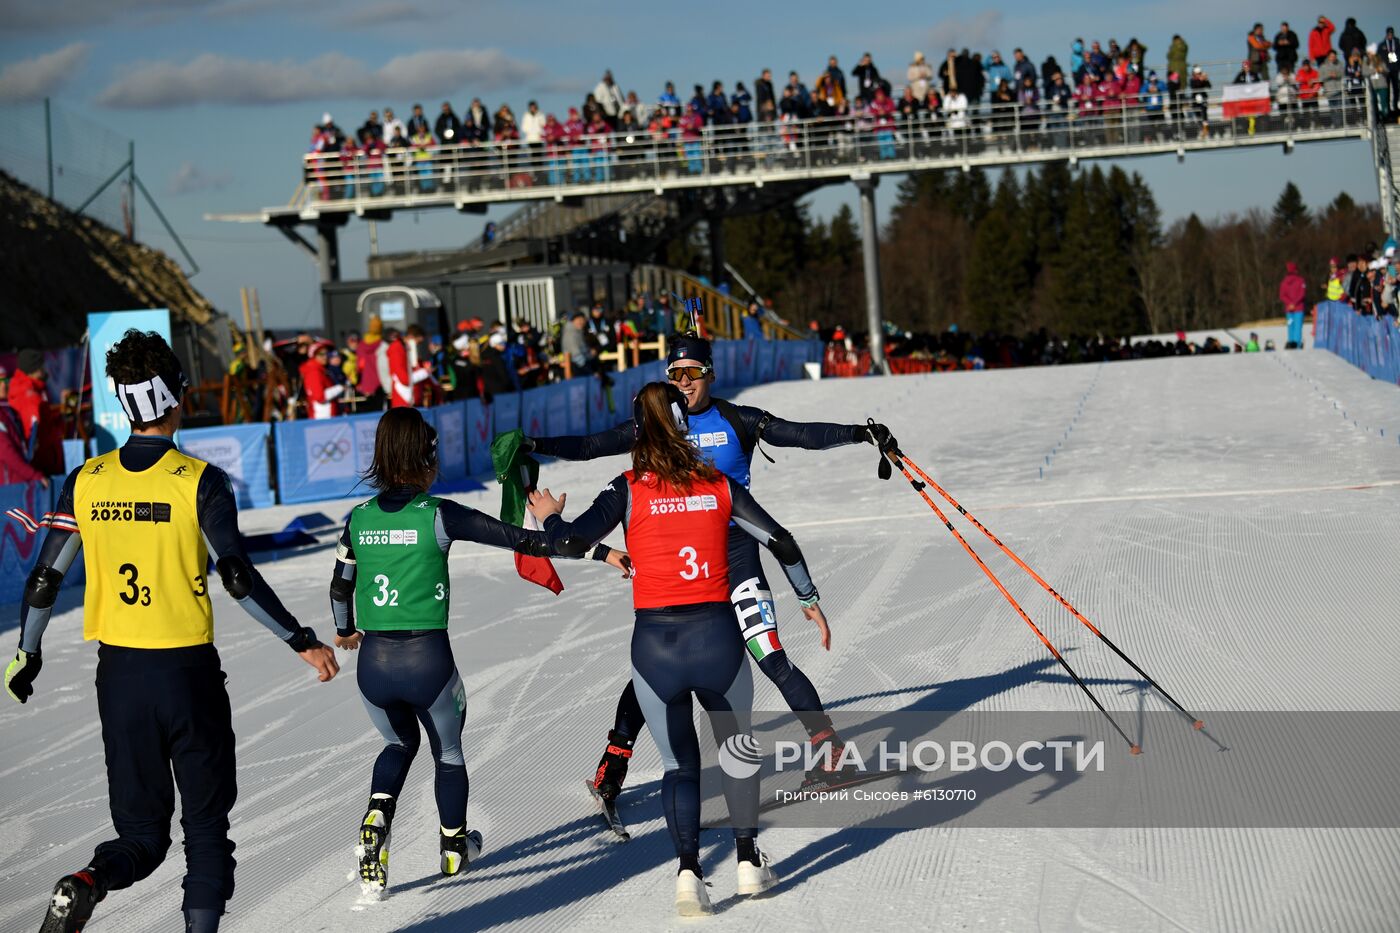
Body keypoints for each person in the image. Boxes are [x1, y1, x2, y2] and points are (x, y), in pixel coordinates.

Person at [8, 330, 338, 933]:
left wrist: (26, 653)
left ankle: (87, 881)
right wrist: (301, 640)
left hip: (120, 676)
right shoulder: (198, 479)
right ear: (174, 396)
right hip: (186, 673)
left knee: (140, 836)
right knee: (207, 829)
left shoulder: (87, 479)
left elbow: (42, 582)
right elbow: (236, 577)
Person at [524, 334, 898, 804]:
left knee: (770, 656)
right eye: (674, 375)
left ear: (710, 374)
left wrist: (859, 434)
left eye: (692, 373)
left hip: (737, 557)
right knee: (656, 670)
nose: (683, 383)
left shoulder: (735, 418)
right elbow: (589, 446)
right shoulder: (655, 425)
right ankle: (613, 767)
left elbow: (800, 435)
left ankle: (830, 753)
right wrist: (534, 444)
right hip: (678, 566)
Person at [529, 382, 827, 915]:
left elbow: (568, 543)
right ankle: (745, 860)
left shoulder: (626, 487)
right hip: (718, 638)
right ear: (683, 426)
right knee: (736, 752)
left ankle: (689, 876)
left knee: (679, 768)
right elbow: (780, 541)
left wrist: (549, 514)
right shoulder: (718, 483)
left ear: (638, 432)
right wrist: (806, 596)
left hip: (656, 648)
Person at [329, 407, 582, 893]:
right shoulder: (439, 514)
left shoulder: (357, 520)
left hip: (374, 665)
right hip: (428, 662)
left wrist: (345, 631)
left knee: (397, 744)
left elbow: (341, 588)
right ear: (426, 458)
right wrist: (552, 524)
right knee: (448, 750)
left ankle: (376, 817)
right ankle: (452, 848)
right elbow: (517, 538)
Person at [9, 348, 64, 476]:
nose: (45, 370)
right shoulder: (30, 396)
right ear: (34, 370)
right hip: (42, 465)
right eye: (41, 367)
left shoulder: (28, 389)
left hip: (41, 462)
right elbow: (33, 434)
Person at [0, 365, 45, 484]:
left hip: (17, 481)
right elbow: (7, 453)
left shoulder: (7, 410)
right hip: (8, 487)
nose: (4, 385)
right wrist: (33, 475)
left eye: (5, 380)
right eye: (0, 382)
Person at [301, 342, 346, 419]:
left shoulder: (321, 370)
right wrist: (340, 388)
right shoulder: (314, 372)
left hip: (326, 416)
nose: (325, 357)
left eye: (326, 354)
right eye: (321, 354)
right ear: (314, 356)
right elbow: (320, 397)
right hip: (322, 418)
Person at [1279, 261, 1307, 348]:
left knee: (1290, 325)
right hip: (1298, 308)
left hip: (1289, 310)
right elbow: (1302, 294)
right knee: (1298, 326)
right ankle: (1297, 344)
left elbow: (1282, 295)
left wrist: (1289, 303)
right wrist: (1294, 303)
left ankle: (1291, 342)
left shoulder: (1283, 282)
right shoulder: (1301, 281)